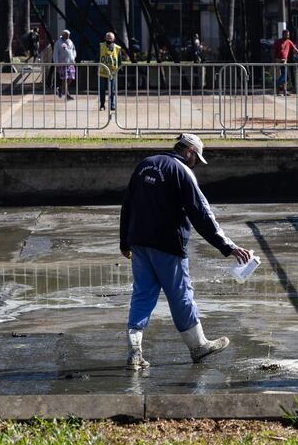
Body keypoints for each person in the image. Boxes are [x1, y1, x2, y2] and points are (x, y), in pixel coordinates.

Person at [120, 134, 251, 370]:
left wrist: (124, 242)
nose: (196, 165)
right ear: (189, 151)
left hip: (139, 242)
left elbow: (127, 204)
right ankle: (198, 346)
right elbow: (201, 214)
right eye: (196, 159)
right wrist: (228, 246)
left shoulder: (144, 165)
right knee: (181, 294)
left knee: (142, 295)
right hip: (168, 244)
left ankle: (135, 352)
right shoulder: (181, 171)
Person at [98, 31, 122, 111]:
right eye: (108, 38)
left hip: (112, 73)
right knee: (102, 90)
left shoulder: (117, 48)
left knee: (112, 90)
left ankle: (112, 105)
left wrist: (120, 69)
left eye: (111, 38)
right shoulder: (101, 46)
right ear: (105, 38)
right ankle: (102, 105)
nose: (109, 39)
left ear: (114, 39)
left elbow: (119, 60)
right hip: (102, 72)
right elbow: (97, 56)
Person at [53, 29, 77, 100]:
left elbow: (73, 50)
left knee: (71, 78)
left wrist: (74, 57)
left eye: (68, 35)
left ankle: (60, 89)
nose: (68, 37)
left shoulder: (70, 42)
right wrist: (57, 64)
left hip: (70, 63)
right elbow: (55, 54)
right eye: (66, 35)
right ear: (63, 35)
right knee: (65, 79)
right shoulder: (58, 43)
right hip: (62, 63)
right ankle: (67, 95)